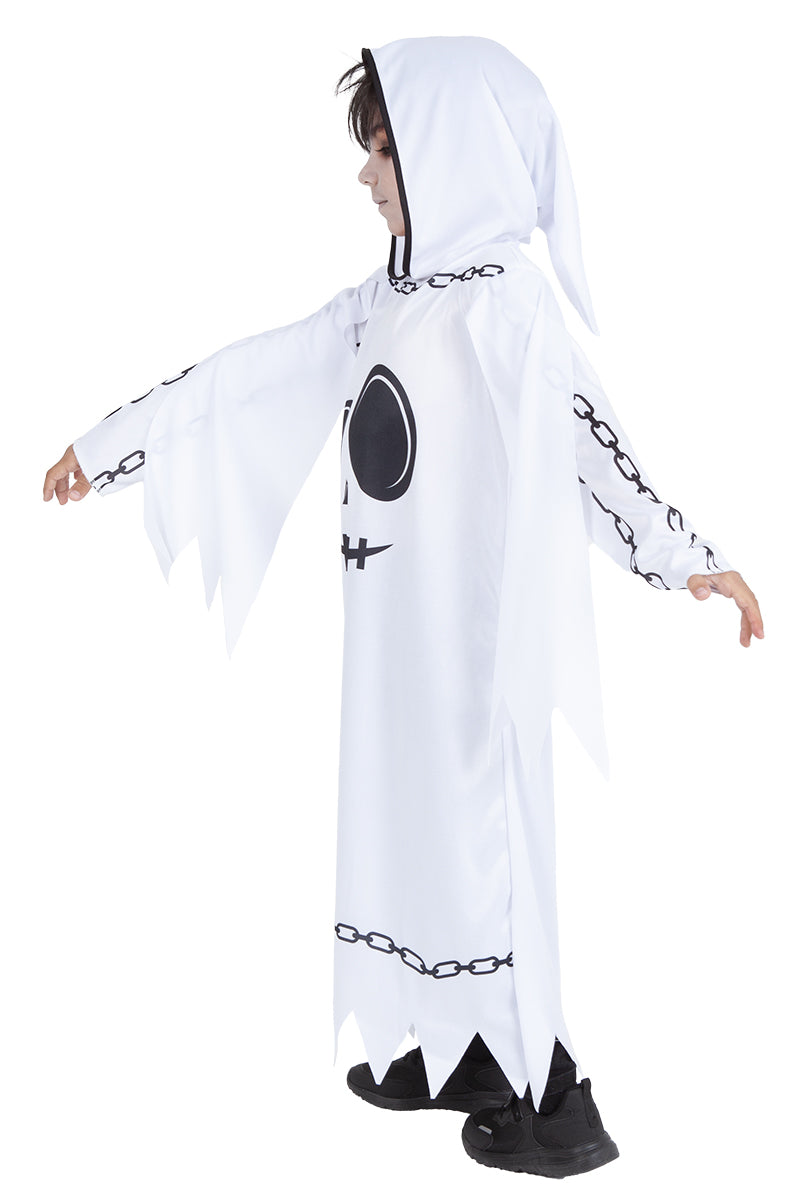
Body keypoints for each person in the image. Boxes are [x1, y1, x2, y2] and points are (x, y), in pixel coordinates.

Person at [43, 37, 764, 1179]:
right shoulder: (386, 303)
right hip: (396, 649)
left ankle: (555, 1099)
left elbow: (591, 446)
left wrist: (689, 559)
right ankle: (458, 1049)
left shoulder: (506, 308)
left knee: (494, 849)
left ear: (452, 156)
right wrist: (112, 445)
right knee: (413, 837)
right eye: (372, 148)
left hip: (480, 648)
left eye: (385, 149)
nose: (366, 173)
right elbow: (259, 372)